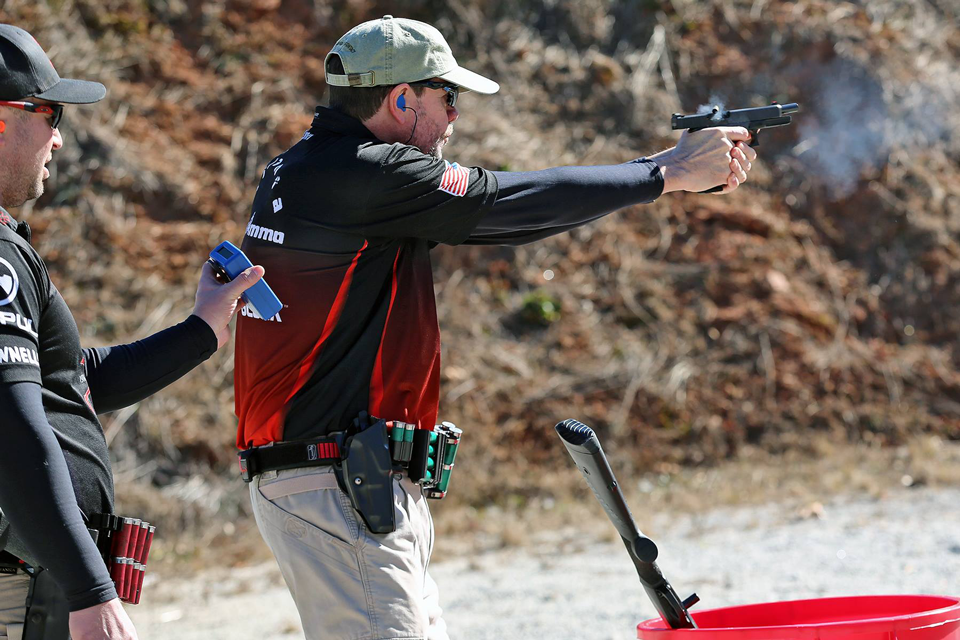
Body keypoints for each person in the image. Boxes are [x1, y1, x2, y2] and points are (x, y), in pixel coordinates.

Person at [233, 15, 758, 640]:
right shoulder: (366, 174)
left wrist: (666, 168)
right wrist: (666, 172)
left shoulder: (310, 167)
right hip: (336, 486)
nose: (455, 116)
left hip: (343, 482)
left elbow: (513, 217)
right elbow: (511, 202)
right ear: (401, 99)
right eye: (447, 97)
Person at [0, 24, 265, 640]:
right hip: (24, 589)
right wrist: (90, 590)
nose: (59, 137)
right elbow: (12, 431)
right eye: (50, 113)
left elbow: (68, 384)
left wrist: (201, 330)